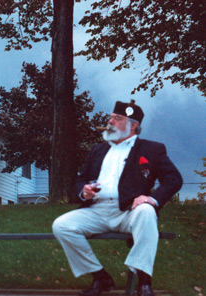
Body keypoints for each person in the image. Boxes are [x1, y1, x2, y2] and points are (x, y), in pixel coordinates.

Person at [52, 100, 183, 296]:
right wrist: (84, 191)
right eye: (111, 117)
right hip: (96, 210)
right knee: (61, 225)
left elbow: (174, 179)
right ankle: (100, 277)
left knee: (147, 212)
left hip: (129, 211)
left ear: (133, 125)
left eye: (117, 118)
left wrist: (151, 199)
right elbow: (80, 181)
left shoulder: (151, 149)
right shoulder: (98, 150)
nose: (110, 121)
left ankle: (144, 281)